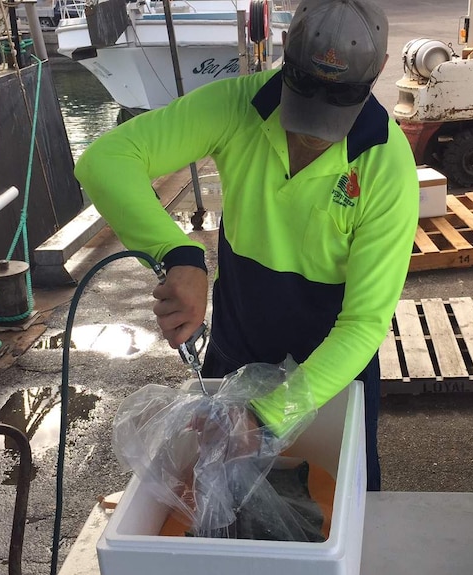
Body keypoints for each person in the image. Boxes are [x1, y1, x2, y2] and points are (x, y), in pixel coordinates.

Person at [74, 0, 419, 491]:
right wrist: (178, 254)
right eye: (303, 98)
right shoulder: (238, 105)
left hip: (332, 363)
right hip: (238, 338)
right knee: (218, 497)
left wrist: (271, 414)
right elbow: (105, 161)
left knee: (344, 500)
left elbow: (363, 324)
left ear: (379, 72)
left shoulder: (387, 165)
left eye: (333, 107)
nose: (309, 135)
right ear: (284, 55)